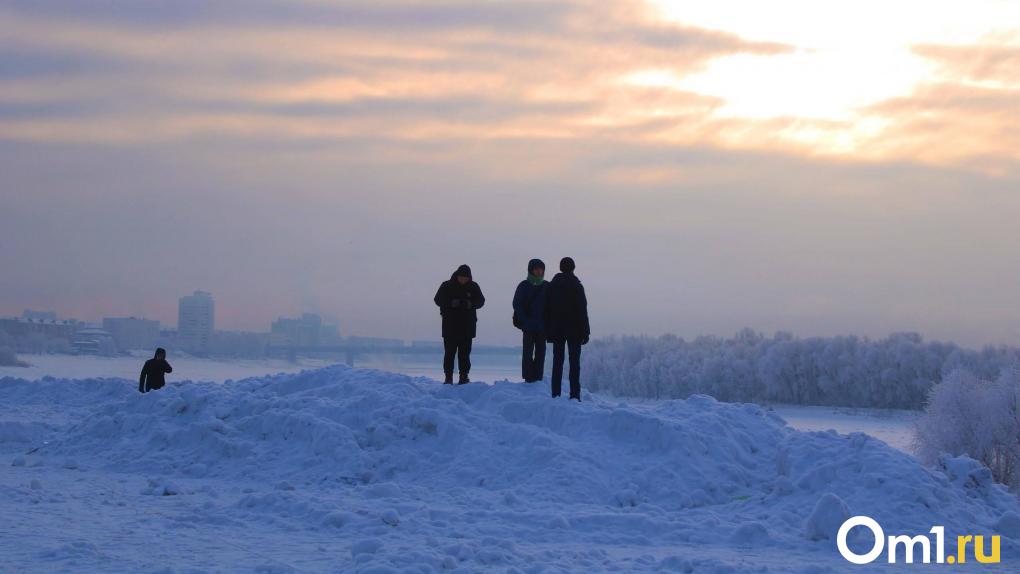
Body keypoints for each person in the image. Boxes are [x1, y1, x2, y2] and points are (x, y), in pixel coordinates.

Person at [546, 257, 590, 400]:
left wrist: (549, 329)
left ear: (560, 267)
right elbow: (582, 310)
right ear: (573, 268)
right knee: (574, 364)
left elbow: (547, 309)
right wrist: (586, 332)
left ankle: (555, 394)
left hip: (557, 329)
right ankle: (575, 395)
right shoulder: (577, 285)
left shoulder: (552, 286)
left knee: (557, 362)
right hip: (575, 330)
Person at [434, 264, 485, 384]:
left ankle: (464, 376)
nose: (463, 280)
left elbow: (481, 301)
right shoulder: (447, 285)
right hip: (450, 326)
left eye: (466, 278)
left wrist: (470, 304)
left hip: (467, 327)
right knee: (449, 353)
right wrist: (451, 303)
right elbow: (437, 299)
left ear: (469, 277)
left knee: (465, 354)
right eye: (461, 277)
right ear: (457, 275)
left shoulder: (474, 286)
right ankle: (448, 377)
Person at [512, 258, 549, 382]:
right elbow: (517, 304)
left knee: (541, 352)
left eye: (541, 269)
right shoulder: (523, 286)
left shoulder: (546, 286)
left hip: (542, 326)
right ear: (531, 270)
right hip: (528, 326)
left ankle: (538, 377)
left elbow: (552, 305)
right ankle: (528, 377)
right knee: (527, 352)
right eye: (536, 269)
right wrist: (525, 320)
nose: (539, 272)